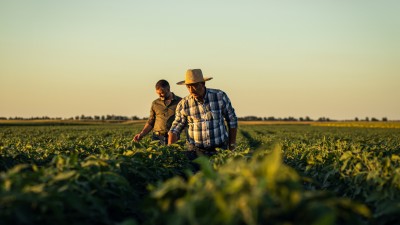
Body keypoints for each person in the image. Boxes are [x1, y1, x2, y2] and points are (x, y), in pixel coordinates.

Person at [168, 69, 238, 158]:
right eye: (188, 87)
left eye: (194, 86)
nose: (191, 90)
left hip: (219, 150)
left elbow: (232, 120)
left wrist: (232, 146)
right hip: (195, 152)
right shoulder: (184, 104)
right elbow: (175, 129)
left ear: (203, 84)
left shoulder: (219, 96)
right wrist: (170, 151)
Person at [133, 79, 182, 145]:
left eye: (162, 93)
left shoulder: (180, 102)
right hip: (157, 138)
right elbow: (151, 122)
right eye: (158, 93)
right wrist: (141, 134)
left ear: (168, 89)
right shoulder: (155, 103)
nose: (160, 95)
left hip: (173, 137)